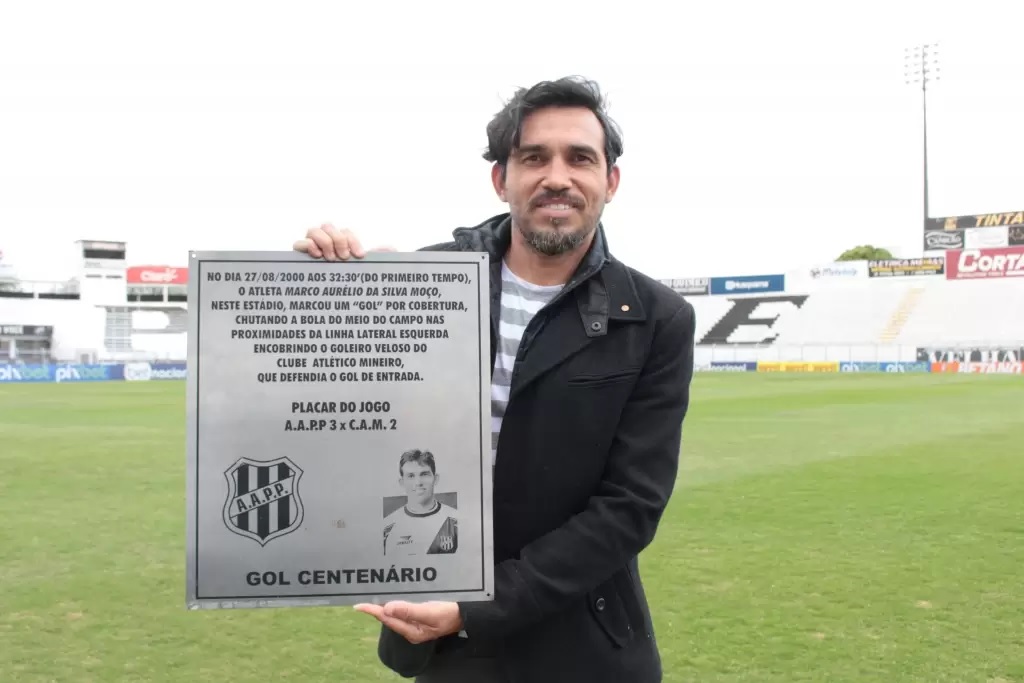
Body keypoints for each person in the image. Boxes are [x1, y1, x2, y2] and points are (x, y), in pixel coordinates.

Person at [293, 76, 695, 683]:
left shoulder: (655, 318)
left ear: (610, 181)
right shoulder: (412, 284)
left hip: (585, 645)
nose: (556, 176)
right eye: (533, 157)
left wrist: (477, 607)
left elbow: (629, 508)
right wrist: (320, 283)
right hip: (443, 643)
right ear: (500, 178)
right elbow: (332, 415)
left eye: (580, 158)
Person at [383, 449, 459, 556]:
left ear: (435, 479)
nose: (418, 483)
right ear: (402, 482)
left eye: (424, 474)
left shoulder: (456, 523)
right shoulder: (387, 529)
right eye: (411, 476)